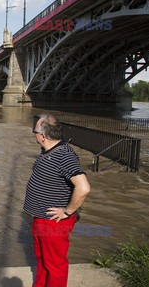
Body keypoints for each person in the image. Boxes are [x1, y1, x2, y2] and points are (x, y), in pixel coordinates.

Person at [24, 113, 91, 287]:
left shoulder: (64, 155)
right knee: (42, 259)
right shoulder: (48, 151)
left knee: (55, 265)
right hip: (41, 219)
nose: (34, 134)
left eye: (34, 131)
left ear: (43, 135)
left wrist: (68, 211)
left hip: (53, 222)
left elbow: (83, 188)